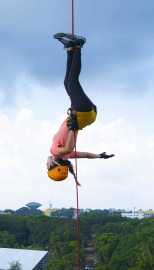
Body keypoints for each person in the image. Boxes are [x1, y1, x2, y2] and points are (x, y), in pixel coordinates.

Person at [47, 32, 114, 185]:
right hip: (81, 114)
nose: (46, 165)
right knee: (72, 80)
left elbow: (86, 155)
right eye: (48, 167)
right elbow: (69, 146)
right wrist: (71, 127)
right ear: (53, 165)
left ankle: (69, 48)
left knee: (67, 82)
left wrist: (99, 156)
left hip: (86, 115)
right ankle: (78, 45)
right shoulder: (57, 152)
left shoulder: (67, 156)